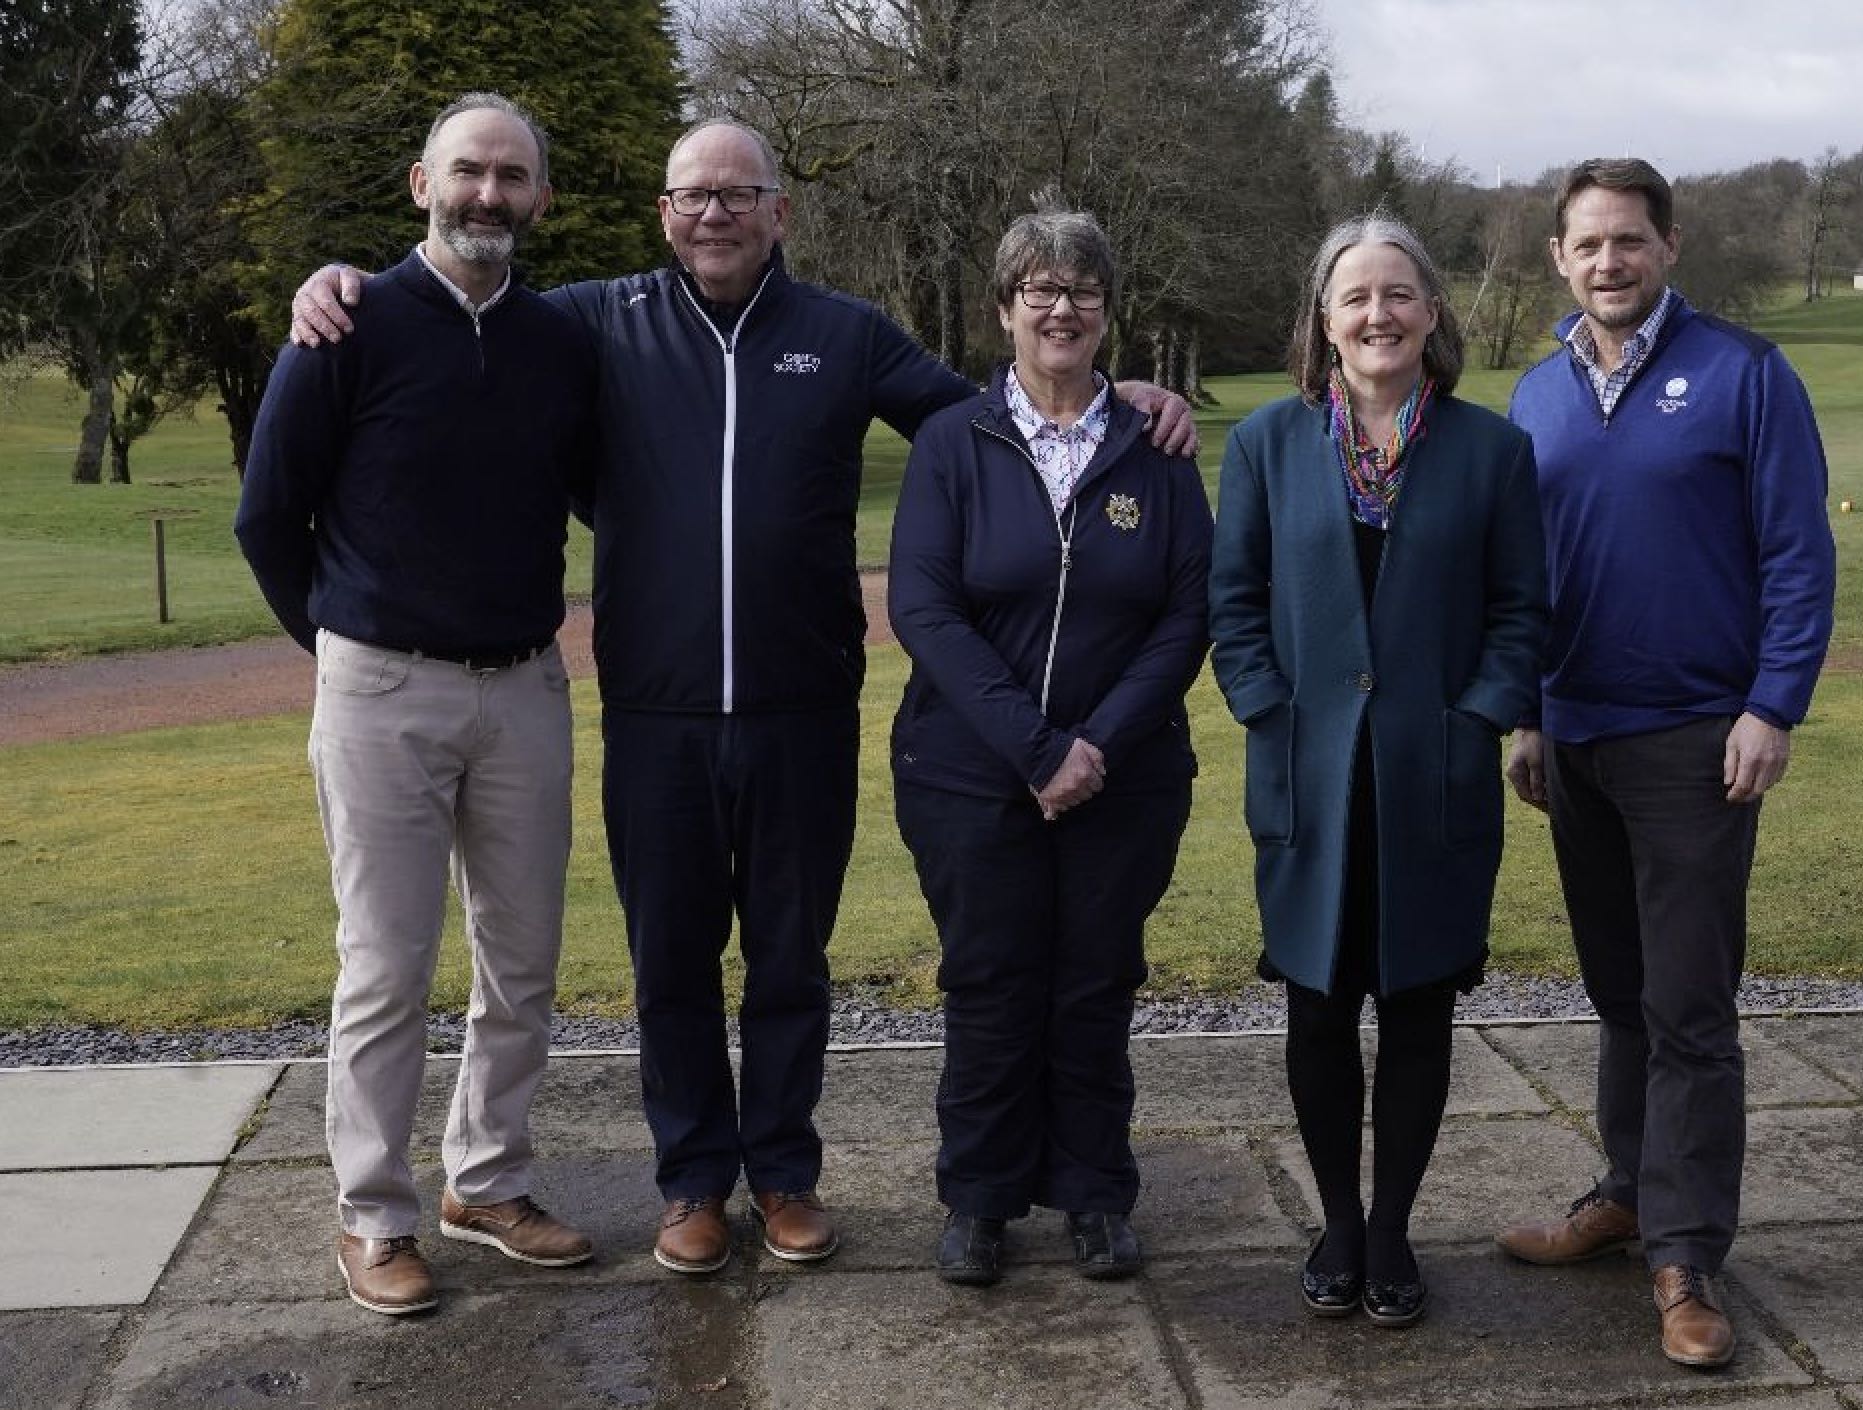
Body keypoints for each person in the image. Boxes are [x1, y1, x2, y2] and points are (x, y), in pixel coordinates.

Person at [290, 120, 1197, 1276]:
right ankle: (691, 1185)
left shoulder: (844, 332)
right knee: (669, 962)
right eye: (691, 196)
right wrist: (346, 285)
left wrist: (1107, 391)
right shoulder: (592, 324)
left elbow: (992, 415)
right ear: (663, 212)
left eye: (738, 194)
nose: (713, 214)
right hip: (656, 712)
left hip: (800, 706)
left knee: (788, 960)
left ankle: (782, 1173)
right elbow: (463, 300)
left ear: (779, 212)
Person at [236, 92, 598, 1317]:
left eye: (510, 177)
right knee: (386, 970)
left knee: (522, 960)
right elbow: (265, 516)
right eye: (466, 172)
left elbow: (614, 485)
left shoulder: (559, 342)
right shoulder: (347, 323)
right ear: (419, 183)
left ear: (539, 198)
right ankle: (374, 1213)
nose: (486, 194)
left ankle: (485, 1181)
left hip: (526, 688)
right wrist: (344, 647)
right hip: (381, 688)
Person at [1497, 157, 1836, 1371]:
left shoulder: (1745, 375)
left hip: (1699, 739)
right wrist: (1528, 716)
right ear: (1558, 258)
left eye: (1628, 241)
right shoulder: (1535, 396)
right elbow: (1525, 584)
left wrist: (1773, 705)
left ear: (1667, 246)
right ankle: (1631, 1194)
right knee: (1619, 993)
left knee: (1689, 1005)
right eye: (1586, 244)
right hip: (1573, 740)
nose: (1608, 262)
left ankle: (1687, 1257)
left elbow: (1797, 554)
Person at [1208, 213, 1548, 1328]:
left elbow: (1518, 612)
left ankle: (1393, 1225)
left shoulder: (1491, 452)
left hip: (1429, 778)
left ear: (1431, 311)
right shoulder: (1263, 443)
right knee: (1316, 1007)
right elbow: (1235, 604)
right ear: (1323, 318)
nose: (1377, 315)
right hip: (1308, 779)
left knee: (1415, 1011)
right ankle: (1336, 1224)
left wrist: (1478, 717)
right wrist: (1268, 713)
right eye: (1354, 296)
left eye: (1398, 294)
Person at [887, 209, 1211, 1286]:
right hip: (968, 772)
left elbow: (1184, 614)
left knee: (1093, 980)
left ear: (1107, 312)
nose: (1060, 306)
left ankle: (1093, 1193)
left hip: (1125, 777)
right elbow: (927, 613)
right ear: (1004, 308)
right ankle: (978, 1198)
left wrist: (1095, 746)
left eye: (1081, 288)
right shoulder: (951, 444)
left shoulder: (1154, 447)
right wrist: (1035, 749)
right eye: (1039, 286)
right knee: (990, 978)